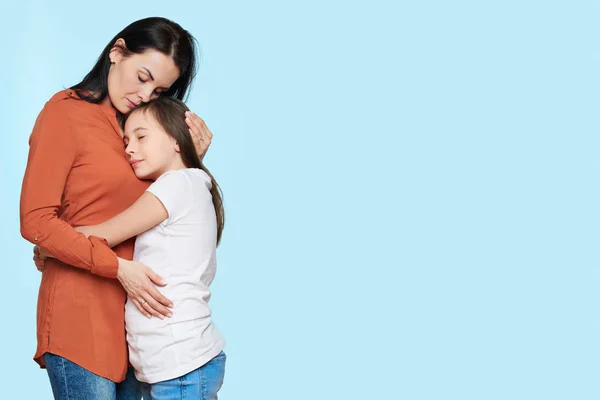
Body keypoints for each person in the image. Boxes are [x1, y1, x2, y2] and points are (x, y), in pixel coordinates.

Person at [20, 17, 213, 400]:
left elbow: (168, 212)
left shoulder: (143, 129)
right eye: (142, 77)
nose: (145, 94)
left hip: (140, 333)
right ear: (117, 52)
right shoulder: (64, 114)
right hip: (81, 318)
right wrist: (118, 268)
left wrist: (191, 160)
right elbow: (36, 220)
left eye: (159, 89)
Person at [73, 97, 226, 400]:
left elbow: (106, 234)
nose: (129, 148)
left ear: (177, 140)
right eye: (127, 140)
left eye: (142, 137)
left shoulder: (176, 186)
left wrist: (52, 241)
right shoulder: (191, 184)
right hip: (178, 365)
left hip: (181, 366)